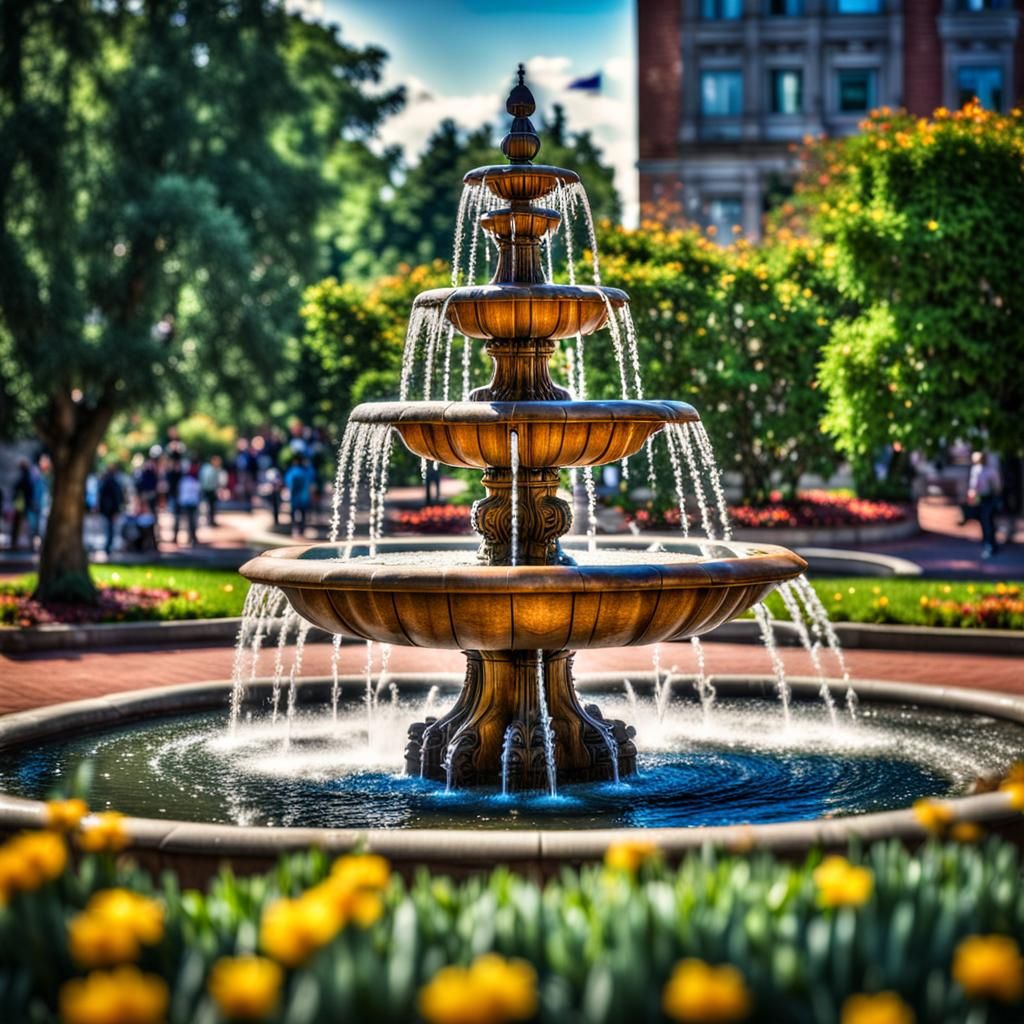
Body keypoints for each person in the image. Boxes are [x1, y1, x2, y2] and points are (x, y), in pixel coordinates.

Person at [966, 450, 1002, 559]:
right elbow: (997, 486)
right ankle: (992, 544)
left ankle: (989, 545)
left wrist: (971, 498)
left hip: (985, 499)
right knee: (989, 522)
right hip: (988, 498)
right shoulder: (990, 470)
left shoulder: (978, 471)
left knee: (986, 522)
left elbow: (973, 487)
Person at [97, 465, 125, 556]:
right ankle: (108, 547)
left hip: (108, 510)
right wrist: (116, 510)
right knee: (110, 529)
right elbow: (117, 497)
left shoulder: (106, 482)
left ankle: (108, 547)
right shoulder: (112, 482)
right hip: (111, 510)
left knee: (109, 529)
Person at [8, 459, 35, 551]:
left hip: (22, 503)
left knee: (20, 524)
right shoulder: (28, 476)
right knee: (25, 523)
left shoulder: (25, 477)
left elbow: (18, 487)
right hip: (23, 503)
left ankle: (16, 543)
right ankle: (27, 543)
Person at [284, 455, 313, 536]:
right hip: (304, 496)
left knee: (294, 513)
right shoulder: (306, 471)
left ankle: (294, 529)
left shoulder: (293, 471)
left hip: (295, 496)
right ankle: (302, 530)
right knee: (303, 514)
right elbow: (311, 481)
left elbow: (289, 482)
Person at [175, 467, 201, 546]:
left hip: (187, 503)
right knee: (191, 521)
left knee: (190, 521)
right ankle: (191, 537)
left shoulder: (184, 481)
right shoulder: (193, 481)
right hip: (190, 503)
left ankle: (191, 537)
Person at [199, 455, 222, 526]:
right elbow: (210, 481)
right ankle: (210, 521)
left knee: (210, 506)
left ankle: (210, 521)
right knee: (209, 506)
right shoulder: (211, 469)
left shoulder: (206, 467)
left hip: (207, 489)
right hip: (209, 490)